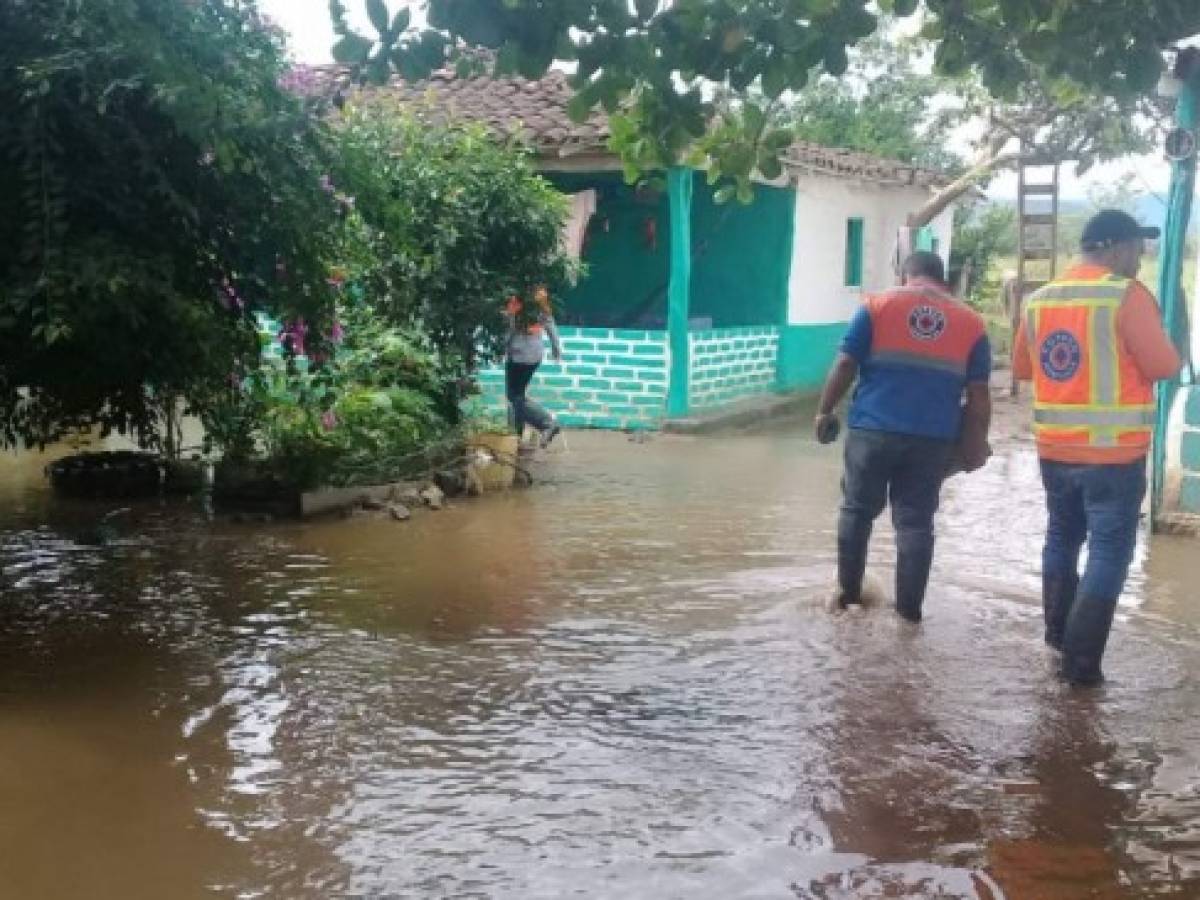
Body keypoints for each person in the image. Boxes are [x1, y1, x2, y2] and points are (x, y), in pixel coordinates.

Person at [1013, 209, 1180, 687]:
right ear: (1117, 248)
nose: (1141, 259)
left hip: (1054, 451)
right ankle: (1081, 668)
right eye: (1138, 248)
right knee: (1109, 551)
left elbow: (1025, 368)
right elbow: (1165, 365)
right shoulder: (1124, 295)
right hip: (1114, 457)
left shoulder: (1039, 300)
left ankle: (1055, 641)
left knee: (1062, 539)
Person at [815, 251, 993, 622]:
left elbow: (847, 363)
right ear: (944, 279)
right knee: (915, 523)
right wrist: (977, 440)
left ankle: (848, 601)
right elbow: (979, 393)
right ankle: (909, 617)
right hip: (932, 439)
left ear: (904, 274)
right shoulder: (972, 323)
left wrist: (825, 410)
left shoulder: (877, 306)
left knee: (857, 512)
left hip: (872, 431)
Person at [505, 287, 563, 449]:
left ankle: (547, 423)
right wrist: (556, 349)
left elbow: (509, 329)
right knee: (518, 395)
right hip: (535, 355)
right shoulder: (540, 299)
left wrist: (503, 347)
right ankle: (516, 435)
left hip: (518, 355)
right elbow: (550, 324)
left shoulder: (515, 300)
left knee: (514, 397)